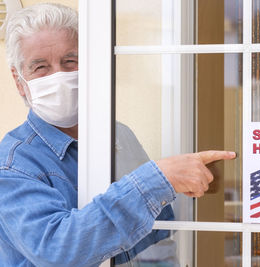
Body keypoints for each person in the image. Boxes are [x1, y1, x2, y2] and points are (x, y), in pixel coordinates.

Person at [0, 3, 236, 267]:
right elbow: (58, 250)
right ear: (19, 80)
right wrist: (158, 179)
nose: (59, 76)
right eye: (41, 67)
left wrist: (190, 185)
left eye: (70, 61)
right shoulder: (12, 165)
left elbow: (154, 237)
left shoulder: (118, 136)